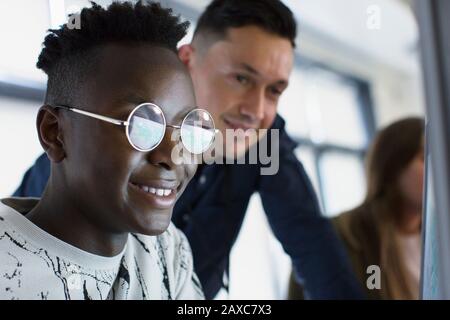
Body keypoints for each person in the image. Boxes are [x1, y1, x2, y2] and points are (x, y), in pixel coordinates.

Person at [13, 0, 363, 299]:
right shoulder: (89, 145)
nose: (256, 110)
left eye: (274, 91)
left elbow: (312, 244)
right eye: (241, 78)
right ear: (187, 60)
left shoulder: (265, 141)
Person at [0, 1, 206, 299]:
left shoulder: (167, 250)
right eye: (141, 125)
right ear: (54, 133)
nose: (170, 155)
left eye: (187, 129)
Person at [288, 117, 425, 300]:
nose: (440, 168)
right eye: (424, 158)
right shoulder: (340, 236)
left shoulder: (436, 235)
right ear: (393, 166)